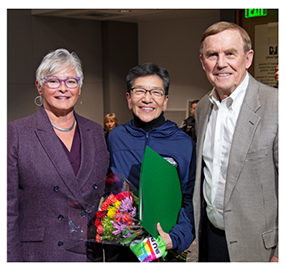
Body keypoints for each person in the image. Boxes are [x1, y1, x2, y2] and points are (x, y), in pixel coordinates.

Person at [7, 48, 108, 262]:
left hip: (87, 254)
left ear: (79, 87)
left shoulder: (96, 132)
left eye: (71, 81)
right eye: (53, 81)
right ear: (39, 86)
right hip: (40, 255)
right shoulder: (17, 133)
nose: (63, 88)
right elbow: (9, 210)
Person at [193, 21, 278, 262]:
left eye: (230, 53)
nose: (221, 63)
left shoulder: (275, 106)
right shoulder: (202, 109)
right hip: (210, 241)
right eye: (212, 55)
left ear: (248, 58)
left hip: (260, 249)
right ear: (203, 62)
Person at [107, 62, 195, 262]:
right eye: (139, 91)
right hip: (122, 250)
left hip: (165, 249)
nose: (147, 98)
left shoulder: (183, 144)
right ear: (129, 98)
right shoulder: (116, 137)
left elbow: (190, 201)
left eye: (156, 92)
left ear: (165, 100)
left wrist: (175, 239)